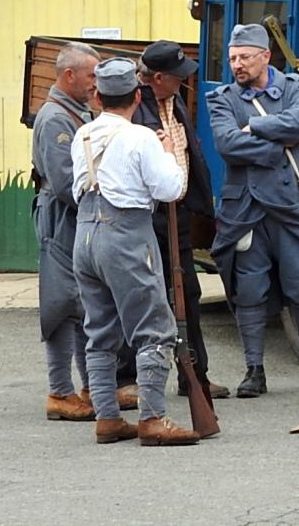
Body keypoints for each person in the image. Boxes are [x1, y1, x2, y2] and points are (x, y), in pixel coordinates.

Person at [71, 57, 199, 446]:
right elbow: (171, 188)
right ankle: (153, 419)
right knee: (155, 331)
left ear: (97, 96)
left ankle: (108, 418)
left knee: (99, 331)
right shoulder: (141, 137)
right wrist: (168, 152)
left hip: (85, 235)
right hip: (126, 234)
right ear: (137, 94)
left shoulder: (84, 135)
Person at [206, 24, 299, 398]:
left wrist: (255, 126)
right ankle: (254, 370)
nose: (237, 65)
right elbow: (227, 144)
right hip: (245, 209)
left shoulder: (297, 87)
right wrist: (275, 147)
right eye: (232, 58)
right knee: (249, 290)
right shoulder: (221, 98)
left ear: (266, 55)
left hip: (291, 206)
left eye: (244, 57)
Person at [128, 41, 231, 400]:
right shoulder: (136, 107)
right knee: (143, 297)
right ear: (157, 78)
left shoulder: (172, 103)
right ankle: (128, 381)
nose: (185, 81)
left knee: (188, 293)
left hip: (180, 213)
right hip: (148, 218)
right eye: (177, 76)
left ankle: (195, 377)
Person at [30, 41, 104, 422]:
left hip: (74, 215)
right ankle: (60, 392)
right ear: (69, 75)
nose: (97, 82)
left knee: (82, 303)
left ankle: (91, 387)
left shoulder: (77, 110)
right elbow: (64, 183)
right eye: (92, 75)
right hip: (62, 215)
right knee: (62, 303)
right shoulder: (56, 118)